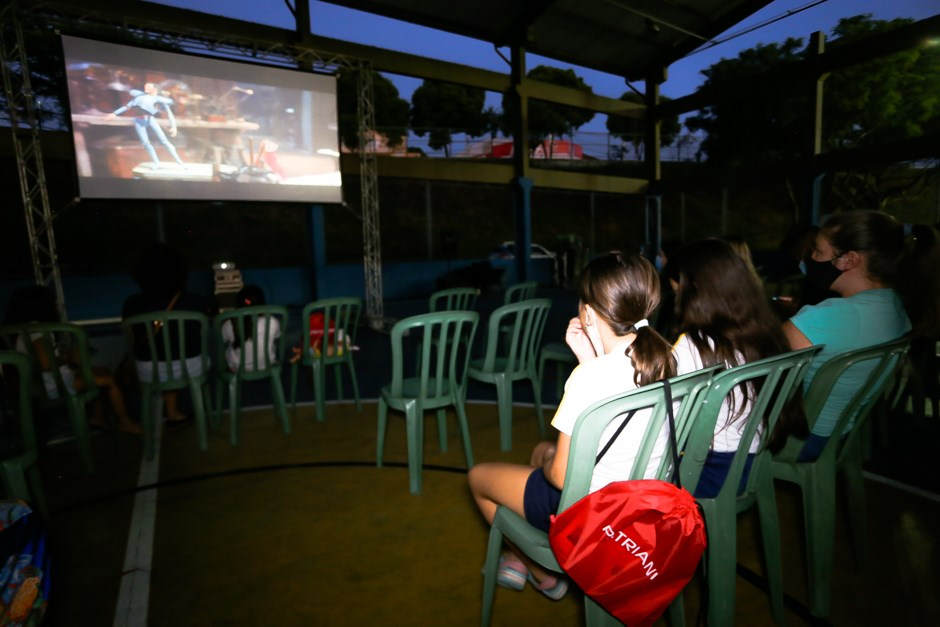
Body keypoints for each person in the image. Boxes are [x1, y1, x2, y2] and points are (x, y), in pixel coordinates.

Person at [468, 251, 676, 599]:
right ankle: (516, 558)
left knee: (478, 477)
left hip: (598, 516)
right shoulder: (666, 358)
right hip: (646, 501)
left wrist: (585, 370)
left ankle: (542, 575)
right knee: (539, 451)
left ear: (589, 315)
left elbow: (560, 478)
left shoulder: (588, 379)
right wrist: (589, 359)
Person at [783, 211, 940, 461]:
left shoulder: (829, 316)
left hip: (799, 440)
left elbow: (757, 358)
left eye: (817, 251)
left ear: (848, 260)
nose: (811, 258)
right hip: (839, 433)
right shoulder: (895, 306)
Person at [665, 238, 801, 497]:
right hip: (747, 460)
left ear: (694, 292)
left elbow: (666, 418)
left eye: (677, 293)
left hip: (705, 472)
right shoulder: (763, 330)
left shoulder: (695, 344)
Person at [4, 285, 141, 435]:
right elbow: (45, 363)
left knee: (102, 371)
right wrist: (69, 357)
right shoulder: (37, 330)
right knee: (109, 380)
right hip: (51, 386)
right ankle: (124, 422)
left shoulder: (18, 329)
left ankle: (97, 417)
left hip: (37, 382)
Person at [122, 243, 210, 424]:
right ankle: (178, 413)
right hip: (190, 369)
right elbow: (201, 335)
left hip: (149, 372)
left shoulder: (132, 304)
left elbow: (131, 339)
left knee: (163, 360)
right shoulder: (196, 302)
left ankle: (168, 413)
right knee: (185, 358)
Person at [107, 82, 186, 169]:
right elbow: (127, 106)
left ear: (155, 89)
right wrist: (114, 113)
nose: (146, 87)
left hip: (150, 120)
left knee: (165, 141)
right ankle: (156, 163)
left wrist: (173, 127)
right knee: (146, 143)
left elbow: (169, 113)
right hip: (138, 121)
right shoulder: (139, 98)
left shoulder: (159, 99)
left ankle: (179, 162)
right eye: (146, 86)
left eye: (149, 87)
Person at [221, 285, 280, 373]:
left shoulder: (229, 324)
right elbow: (276, 337)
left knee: (227, 348)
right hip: (268, 365)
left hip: (238, 368)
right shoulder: (272, 321)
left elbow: (221, 340)